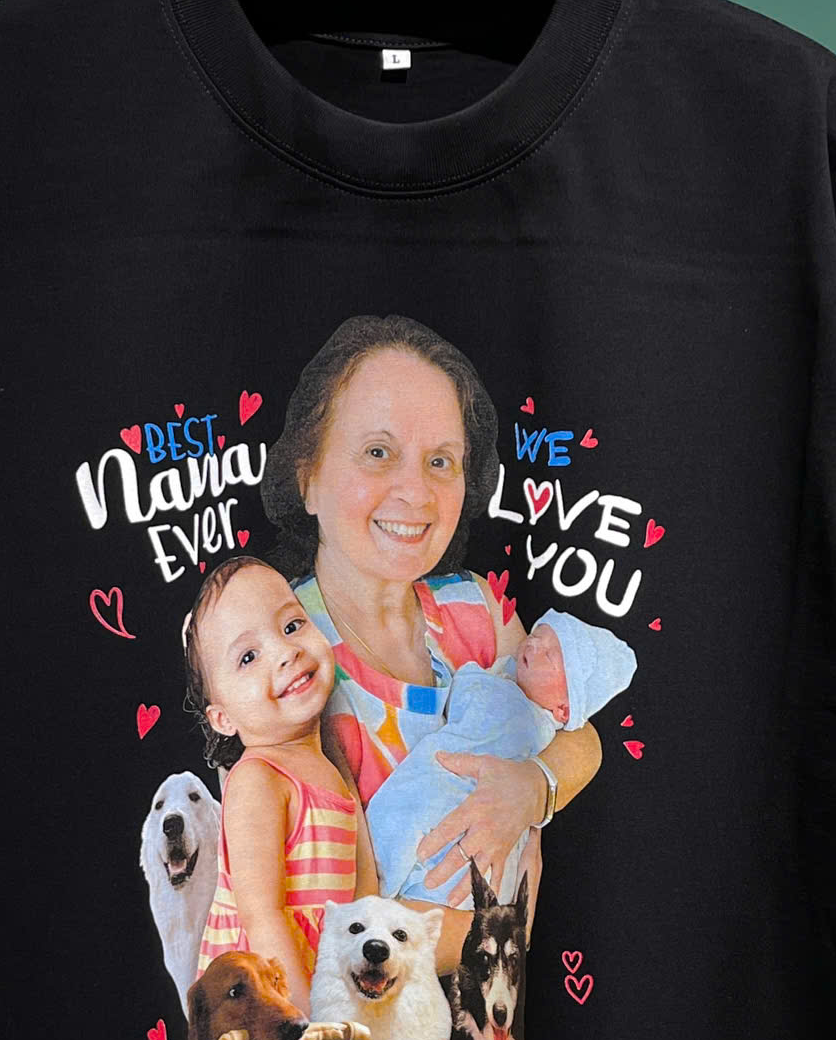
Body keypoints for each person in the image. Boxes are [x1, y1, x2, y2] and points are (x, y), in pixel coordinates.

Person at [258, 312, 603, 972]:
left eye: (441, 461)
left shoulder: (476, 607)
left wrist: (533, 787)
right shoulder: (282, 652)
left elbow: (579, 735)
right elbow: (332, 920)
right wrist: (497, 928)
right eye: (378, 452)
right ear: (307, 475)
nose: (415, 491)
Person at [183, 552, 376, 1013]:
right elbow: (261, 918)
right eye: (248, 657)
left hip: (326, 983)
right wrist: (306, 1025)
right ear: (223, 718)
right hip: (266, 1005)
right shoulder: (258, 779)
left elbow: (365, 892)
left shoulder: (331, 764)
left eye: (292, 626)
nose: (286, 651)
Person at [364, 607, 637, 904]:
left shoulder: (526, 718)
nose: (534, 644)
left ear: (564, 710)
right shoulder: (522, 702)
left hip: (455, 801)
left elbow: (469, 693)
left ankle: (377, 892)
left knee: (401, 821)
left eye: (549, 655)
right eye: (537, 634)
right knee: (417, 843)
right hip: (454, 807)